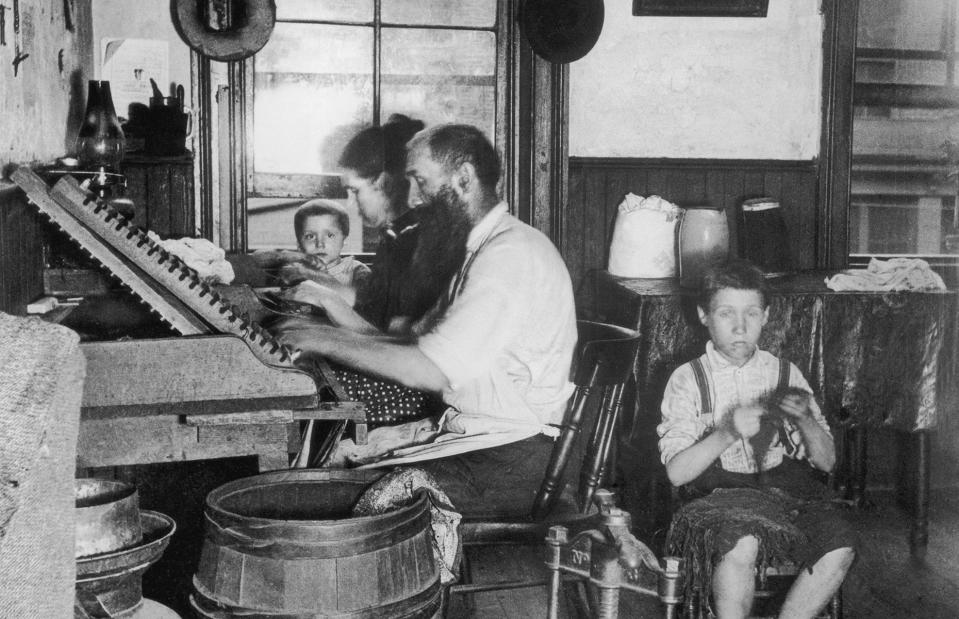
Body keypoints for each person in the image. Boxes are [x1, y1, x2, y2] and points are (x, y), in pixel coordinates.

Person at [275, 123, 578, 516]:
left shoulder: (510, 255)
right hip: (488, 440)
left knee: (342, 500)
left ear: (463, 178)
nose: (414, 198)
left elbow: (432, 370)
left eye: (420, 180)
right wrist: (321, 332)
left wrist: (326, 340)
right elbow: (413, 344)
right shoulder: (480, 249)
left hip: (514, 458)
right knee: (332, 469)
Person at [657, 260, 857, 619]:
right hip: (712, 494)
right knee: (742, 541)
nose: (739, 327)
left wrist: (806, 419)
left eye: (751, 313)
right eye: (725, 313)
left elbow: (827, 463)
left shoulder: (783, 373)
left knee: (838, 545)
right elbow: (676, 474)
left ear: (766, 316)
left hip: (783, 492)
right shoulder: (688, 379)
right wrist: (727, 432)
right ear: (704, 315)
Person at [250, 199, 369, 303]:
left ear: (344, 239)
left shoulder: (356, 270)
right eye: (310, 236)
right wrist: (287, 260)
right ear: (299, 244)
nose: (320, 244)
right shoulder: (296, 268)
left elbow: (364, 308)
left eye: (330, 235)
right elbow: (255, 259)